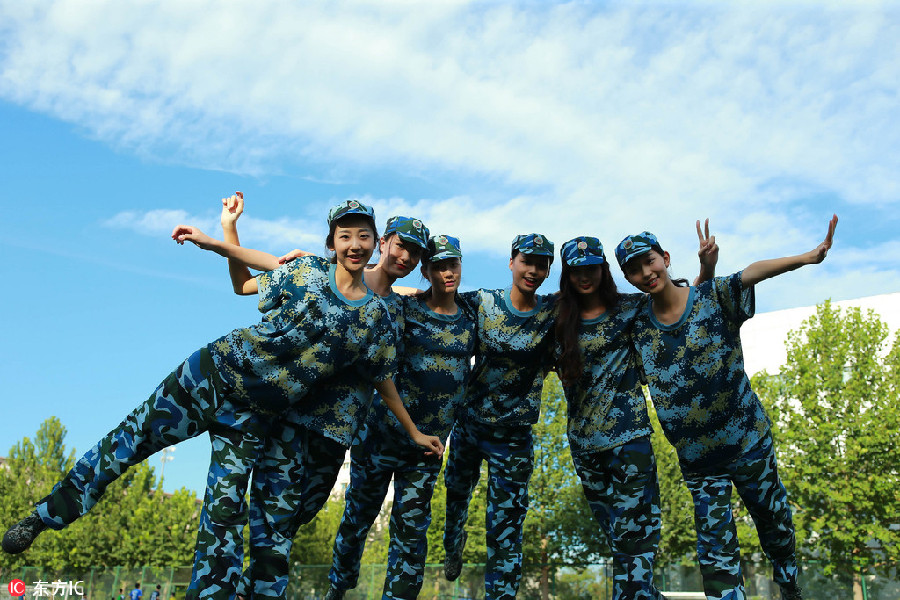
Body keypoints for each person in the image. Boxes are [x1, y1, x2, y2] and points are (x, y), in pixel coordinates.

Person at [2, 197, 442, 600]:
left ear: (373, 243)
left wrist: (413, 431)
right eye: (345, 236)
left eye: (362, 236)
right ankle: (44, 516)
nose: (355, 244)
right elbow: (255, 266)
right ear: (332, 243)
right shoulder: (305, 271)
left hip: (254, 416)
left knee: (224, 513)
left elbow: (383, 378)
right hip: (213, 374)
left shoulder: (377, 320)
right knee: (129, 441)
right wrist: (215, 241)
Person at [215, 193, 434, 598]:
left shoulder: (403, 306)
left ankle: (245, 589)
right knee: (270, 524)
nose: (405, 256)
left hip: (337, 433)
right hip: (294, 419)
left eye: (415, 253)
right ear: (382, 242)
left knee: (296, 520)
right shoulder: (324, 271)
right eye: (400, 244)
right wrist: (229, 228)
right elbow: (244, 284)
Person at [615, 215, 838, 600]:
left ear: (665, 257)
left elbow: (750, 274)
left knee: (775, 525)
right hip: (699, 463)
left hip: (748, 443)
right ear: (629, 279)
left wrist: (808, 256)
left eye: (649, 260)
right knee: (716, 556)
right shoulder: (638, 329)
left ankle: (789, 586)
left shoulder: (713, 297)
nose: (645, 272)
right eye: (633, 269)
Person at [554, 230, 716, 600]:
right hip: (584, 446)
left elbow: (682, 305)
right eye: (577, 270)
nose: (585, 276)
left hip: (630, 442)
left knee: (635, 535)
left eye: (592, 268)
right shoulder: (557, 317)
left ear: (604, 270)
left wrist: (706, 268)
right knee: (618, 537)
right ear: (567, 273)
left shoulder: (630, 309)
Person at [325, 234, 477, 600]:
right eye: (437, 266)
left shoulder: (473, 315)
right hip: (380, 436)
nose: (446, 273)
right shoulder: (405, 309)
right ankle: (338, 588)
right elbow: (371, 287)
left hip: (427, 449)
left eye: (452, 264)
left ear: (460, 265)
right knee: (358, 519)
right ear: (426, 270)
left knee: (411, 533)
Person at [443, 233, 557, 600]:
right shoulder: (484, 302)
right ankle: (452, 542)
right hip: (470, 422)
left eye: (542, 264)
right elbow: (436, 303)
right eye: (527, 261)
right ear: (512, 263)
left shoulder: (552, 312)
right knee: (456, 496)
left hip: (514, 435)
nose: (534, 270)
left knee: (506, 526)